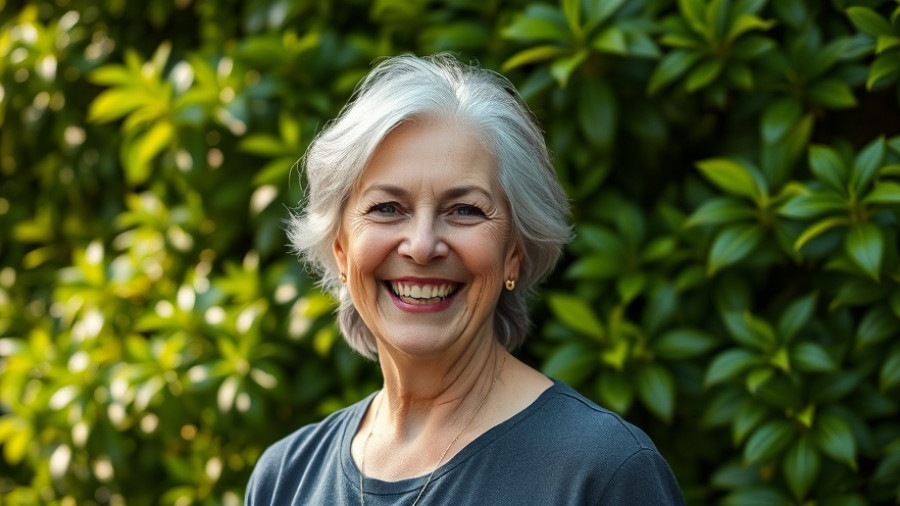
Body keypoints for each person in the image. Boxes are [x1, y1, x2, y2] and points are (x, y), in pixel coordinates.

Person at [245, 53, 684, 505]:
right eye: (387, 208)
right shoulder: (286, 478)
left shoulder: (602, 472)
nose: (420, 245)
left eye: (464, 210)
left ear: (514, 252)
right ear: (341, 249)